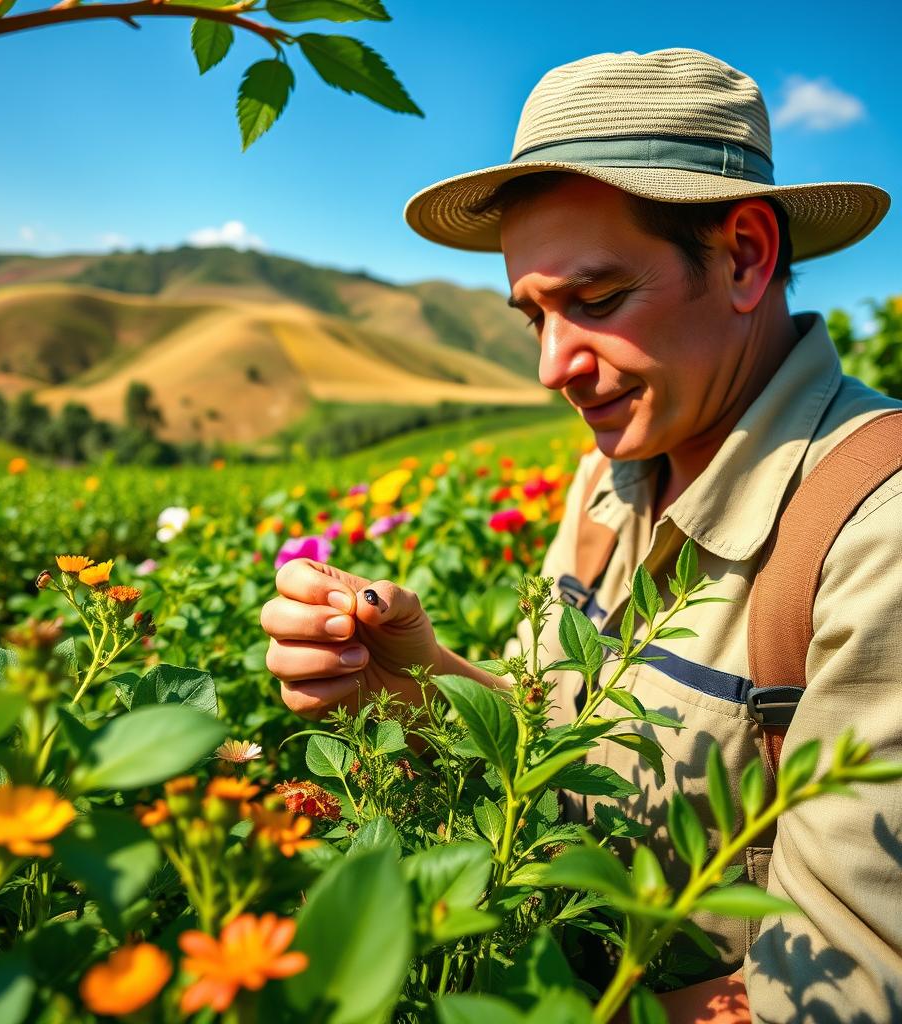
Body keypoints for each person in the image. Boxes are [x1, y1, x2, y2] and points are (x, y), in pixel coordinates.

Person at [260, 48, 902, 1022]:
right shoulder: (609, 478)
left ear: (744, 255)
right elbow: (548, 741)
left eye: (595, 302)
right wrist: (417, 678)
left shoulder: (873, 534)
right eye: (533, 317)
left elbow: (846, 994)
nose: (553, 366)